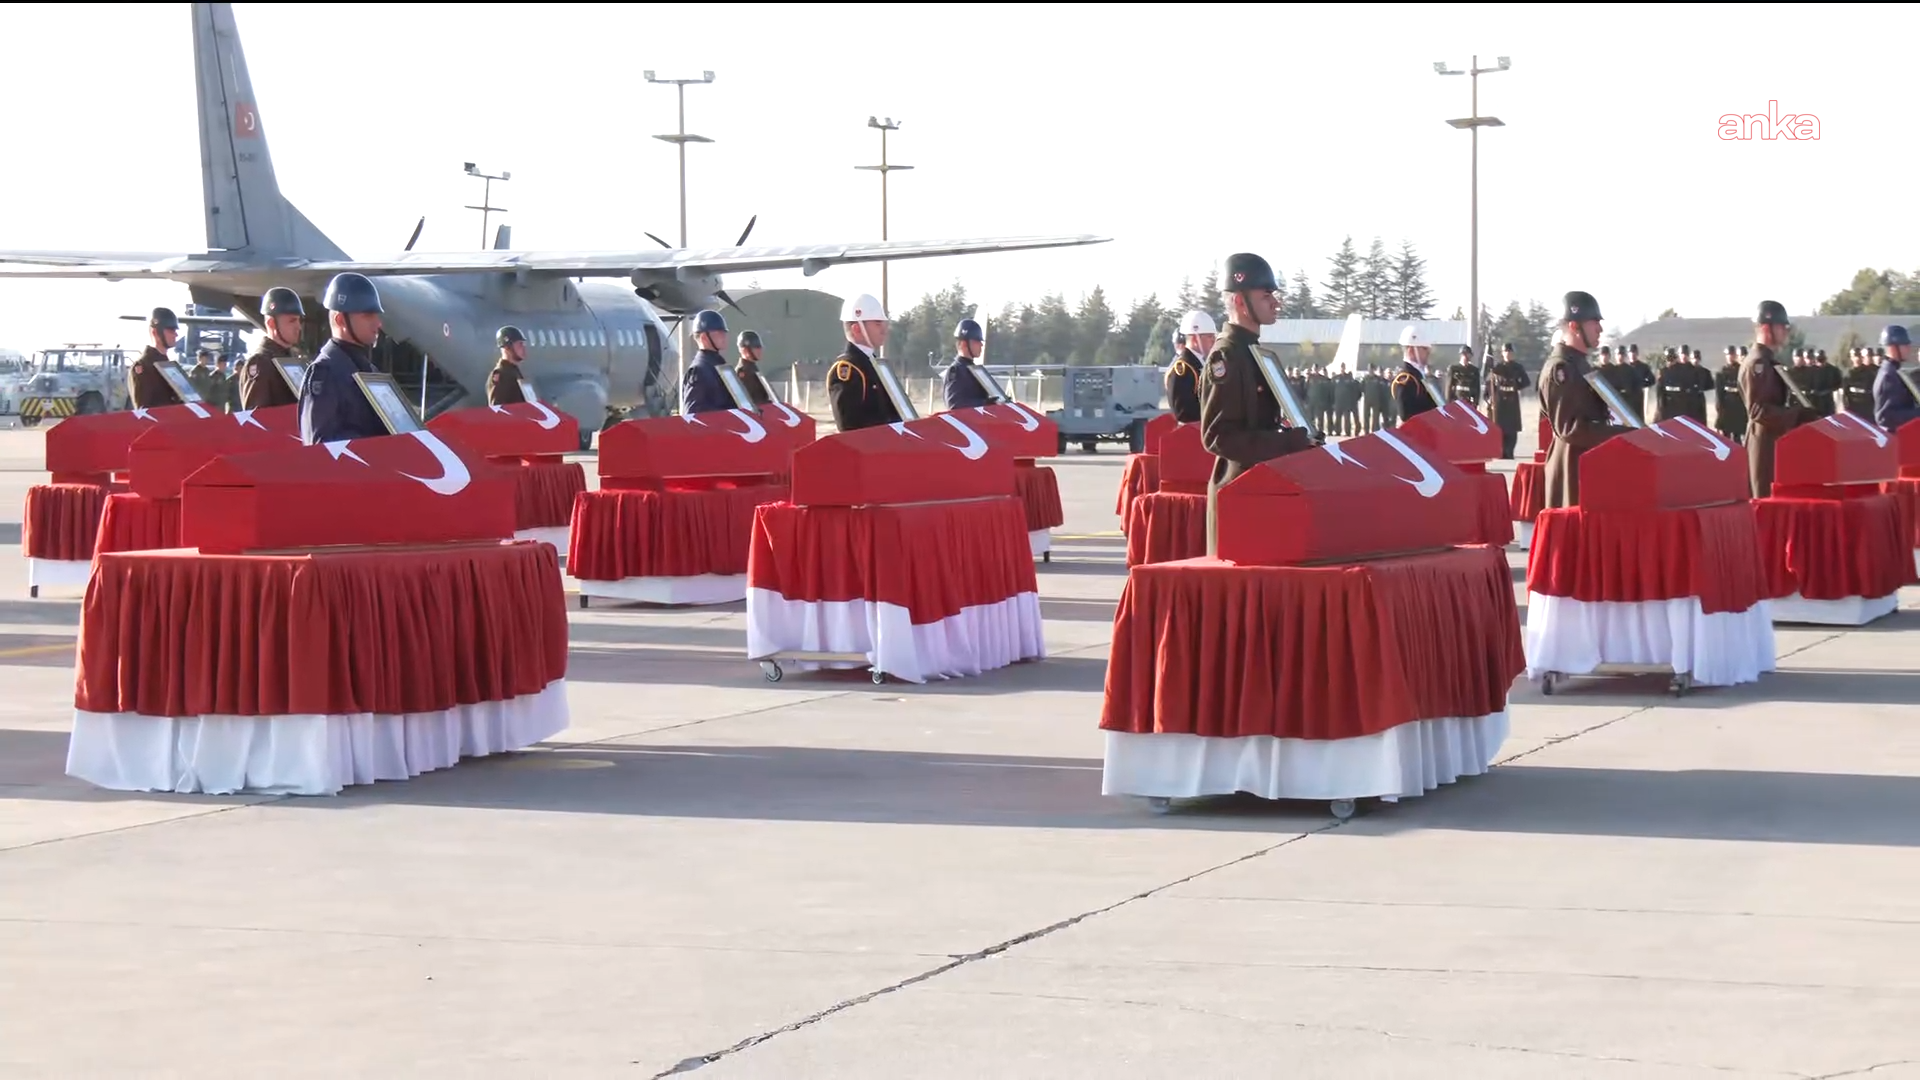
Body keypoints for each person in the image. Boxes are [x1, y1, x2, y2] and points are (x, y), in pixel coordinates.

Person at [1200, 252, 1318, 555]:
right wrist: (1289, 443)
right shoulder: (1227, 356)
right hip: (1237, 495)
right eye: (1266, 296)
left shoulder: (1252, 352)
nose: (1275, 303)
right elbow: (1217, 436)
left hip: (1258, 493)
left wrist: (1300, 438)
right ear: (1240, 301)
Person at [1537, 291, 1631, 508]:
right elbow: (1570, 429)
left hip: (1587, 469)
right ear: (1574, 326)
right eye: (1594, 322)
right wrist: (1624, 434)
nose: (1600, 329)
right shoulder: (1561, 369)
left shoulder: (1580, 365)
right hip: (1571, 474)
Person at [1739, 300, 1818, 498]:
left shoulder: (1767, 360)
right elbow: (1758, 410)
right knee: (1765, 501)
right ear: (1767, 328)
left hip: (1773, 440)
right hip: (1763, 444)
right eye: (1781, 327)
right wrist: (1796, 415)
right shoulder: (1758, 363)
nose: (1785, 332)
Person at [300, 272, 389, 445]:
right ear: (340, 320)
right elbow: (320, 448)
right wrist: (373, 445)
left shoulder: (368, 370)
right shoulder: (325, 373)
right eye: (368, 315)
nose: (378, 323)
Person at [827, 293, 900, 432]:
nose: (884, 330)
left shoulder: (876, 364)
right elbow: (849, 428)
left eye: (884, 323)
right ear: (856, 328)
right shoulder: (848, 369)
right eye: (877, 323)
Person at [239, 286, 305, 409]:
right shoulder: (261, 362)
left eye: (298, 321)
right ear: (271, 323)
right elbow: (256, 417)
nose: (298, 327)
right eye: (292, 321)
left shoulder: (292, 358)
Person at [1161, 312, 1213, 423]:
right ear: (1195, 339)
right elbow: (1183, 412)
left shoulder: (1199, 363)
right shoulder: (1183, 368)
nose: (1213, 340)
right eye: (1209, 336)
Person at [681, 309, 735, 415]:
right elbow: (693, 414)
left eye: (724, 333)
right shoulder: (698, 371)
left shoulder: (718, 364)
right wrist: (726, 414)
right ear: (704, 337)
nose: (724, 337)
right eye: (719, 333)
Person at [128, 307, 184, 408]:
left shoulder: (169, 366)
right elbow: (144, 411)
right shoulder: (144, 367)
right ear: (155, 333)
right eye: (171, 330)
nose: (176, 334)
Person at [1486, 341, 1528, 459]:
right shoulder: (1497, 368)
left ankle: (1509, 451)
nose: (1508, 354)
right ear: (1502, 353)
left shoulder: (1518, 367)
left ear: (1513, 353)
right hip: (1499, 400)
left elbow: (1526, 381)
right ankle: (1501, 450)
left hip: (1512, 400)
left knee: (1512, 427)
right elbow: (1489, 383)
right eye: (1506, 352)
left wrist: (1516, 386)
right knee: (1500, 426)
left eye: (1510, 352)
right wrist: (1488, 397)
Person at [1874, 325, 1920, 431]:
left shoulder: (1894, 371)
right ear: (1893, 348)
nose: (1909, 348)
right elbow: (1884, 417)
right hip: (1897, 437)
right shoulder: (1888, 376)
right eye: (1905, 344)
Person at [1390, 326, 1440, 422]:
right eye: (1425, 348)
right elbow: (1406, 415)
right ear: (1411, 350)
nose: (1428, 352)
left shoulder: (1420, 376)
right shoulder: (1405, 379)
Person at [944, 318, 994, 410]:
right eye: (976, 341)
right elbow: (954, 405)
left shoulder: (974, 370)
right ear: (964, 344)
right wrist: (985, 403)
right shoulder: (956, 371)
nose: (981, 345)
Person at [488, 326, 530, 406]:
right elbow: (498, 408)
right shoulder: (501, 374)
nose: (524, 348)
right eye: (520, 344)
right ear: (507, 347)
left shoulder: (513, 371)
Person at [1714, 345, 1746, 445]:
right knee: (1725, 436)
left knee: (1737, 435)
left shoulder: (1741, 370)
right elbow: (1719, 392)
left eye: (1732, 354)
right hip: (1726, 406)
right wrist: (1719, 408)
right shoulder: (1722, 372)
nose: (1730, 357)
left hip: (1738, 405)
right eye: (1728, 355)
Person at [735, 330, 775, 407]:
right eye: (756, 348)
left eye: (760, 347)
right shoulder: (743, 372)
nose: (760, 350)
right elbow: (748, 402)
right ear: (745, 350)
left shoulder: (752, 368)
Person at [1842, 346, 1877, 419]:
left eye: (1858, 356)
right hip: (1853, 408)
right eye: (1854, 356)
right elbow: (1845, 394)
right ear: (1851, 358)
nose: (1857, 359)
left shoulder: (1869, 374)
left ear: (1862, 357)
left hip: (1867, 408)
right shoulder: (1848, 375)